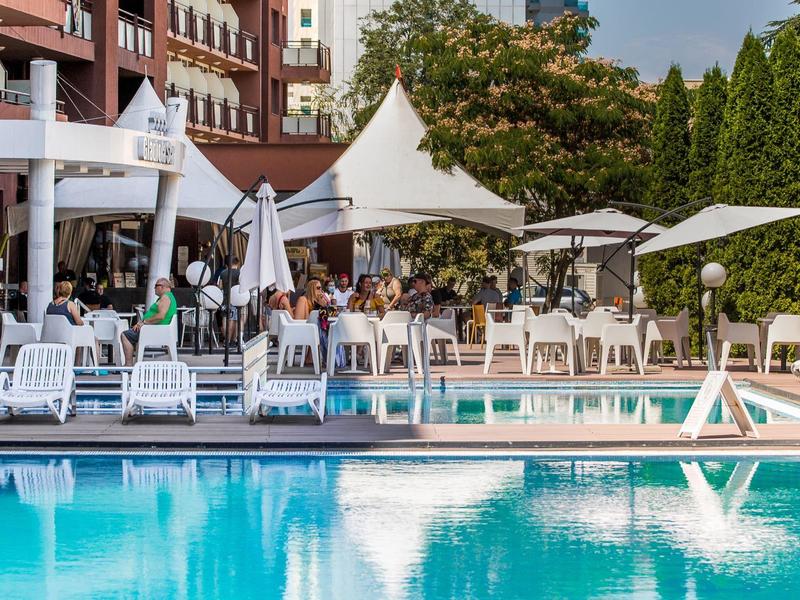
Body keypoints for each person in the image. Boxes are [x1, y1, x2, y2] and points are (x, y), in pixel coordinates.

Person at [120, 277, 177, 366]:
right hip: (154, 329)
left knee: (125, 335)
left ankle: (128, 365)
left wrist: (144, 322)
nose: (154, 288)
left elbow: (161, 316)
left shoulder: (165, 297)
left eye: (156, 286)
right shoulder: (167, 297)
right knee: (130, 333)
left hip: (154, 330)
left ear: (162, 286)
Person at [294, 278, 335, 365]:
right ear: (311, 289)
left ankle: (330, 358)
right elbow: (298, 320)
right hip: (302, 329)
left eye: (321, 288)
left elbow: (328, 315)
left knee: (330, 330)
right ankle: (313, 357)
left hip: (313, 329)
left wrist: (324, 304)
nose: (320, 290)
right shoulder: (303, 300)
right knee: (322, 330)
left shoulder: (316, 302)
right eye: (318, 288)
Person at [217, 256, 242, 345]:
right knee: (233, 319)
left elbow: (220, 286)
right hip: (235, 299)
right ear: (237, 263)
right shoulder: (239, 273)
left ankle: (225, 339)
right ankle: (231, 340)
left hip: (225, 299)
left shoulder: (223, 273)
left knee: (225, 318)